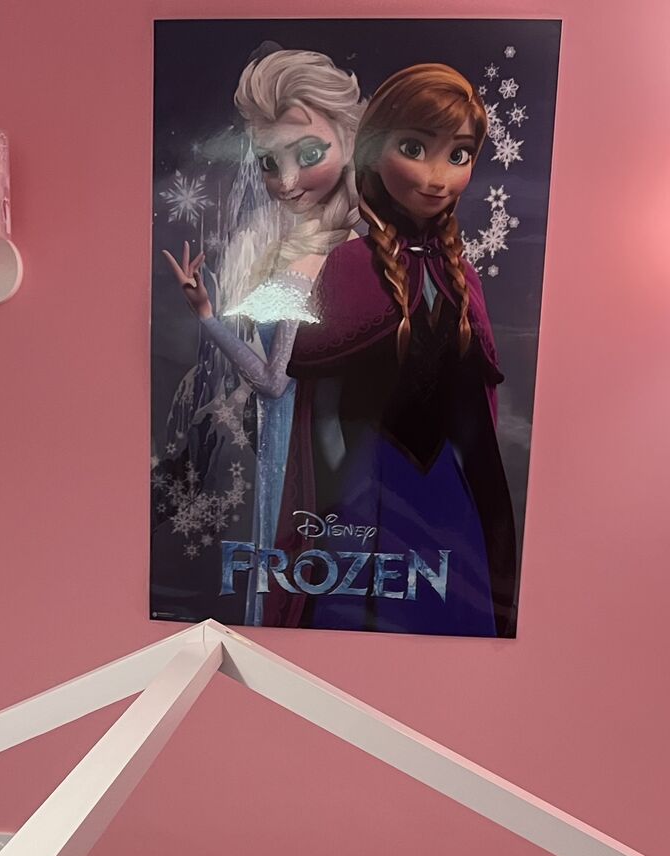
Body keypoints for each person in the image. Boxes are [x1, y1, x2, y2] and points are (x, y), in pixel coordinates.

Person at [268, 63, 519, 637]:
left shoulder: (461, 276)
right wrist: (336, 499)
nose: (436, 177)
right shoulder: (348, 265)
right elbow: (316, 407)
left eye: (458, 155)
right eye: (414, 148)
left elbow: (477, 414)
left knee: (452, 626)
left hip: (447, 489)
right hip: (365, 486)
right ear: (374, 150)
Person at [161, 49, 365, 621]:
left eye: (309, 154)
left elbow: (274, 382)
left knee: (291, 582)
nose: (289, 181)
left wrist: (207, 316)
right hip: (326, 445)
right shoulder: (341, 249)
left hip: (308, 443)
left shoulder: (312, 260)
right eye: (271, 164)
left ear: (351, 141)